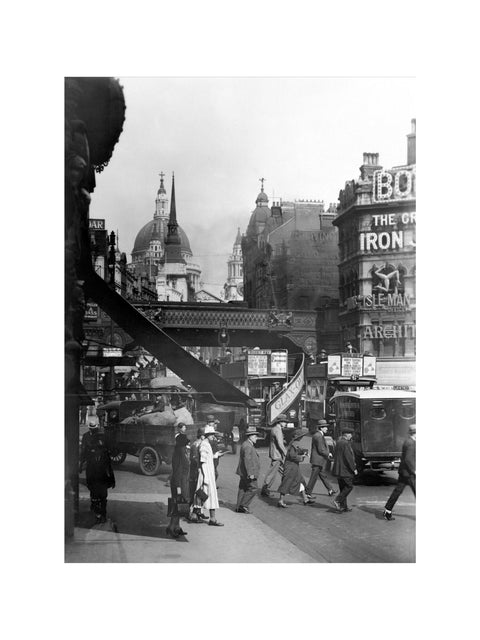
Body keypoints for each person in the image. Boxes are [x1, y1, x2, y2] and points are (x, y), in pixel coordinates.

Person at [79, 422, 115, 523]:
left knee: (96, 490)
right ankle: (100, 512)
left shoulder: (90, 437)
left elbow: (83, 451)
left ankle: (100, 512)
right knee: (98, 491)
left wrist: (81, 464)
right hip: (99, 468)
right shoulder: (98, 437)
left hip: (96, 468)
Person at [383, 424, 416, 521]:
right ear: (415, 433)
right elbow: (408, 459)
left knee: (397, 491)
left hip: (404, 472)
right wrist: (415, 470)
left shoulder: (409, 441)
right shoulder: (411, 443)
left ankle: (387, 510)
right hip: (409, 473)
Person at [277, 428, 315, 507]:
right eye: (302, 436)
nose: (302, 437)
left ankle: (305, 499)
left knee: (300, 481)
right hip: (290, 466)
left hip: (294, 466)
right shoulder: (295, 443)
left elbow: (298, 450)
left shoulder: (294, 443)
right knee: (286, 482)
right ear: (298, 437)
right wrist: (302, 456)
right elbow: (292, 455)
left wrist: (303, 452)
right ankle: (280, 500)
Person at [195, 424, 224, 526]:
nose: (213, 437)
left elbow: (208, 457)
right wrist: (206, 478)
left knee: (205, 496)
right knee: (206, 495)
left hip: (208, 473)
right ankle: (211, 519)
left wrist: (216, 455)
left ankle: (201, 516)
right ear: (207, 435)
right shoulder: (204, 445)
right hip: (206, 474)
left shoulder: (207, 444)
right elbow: (203, 461)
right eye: (212, 435)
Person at [167, 432, 191, 538]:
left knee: (178, 505)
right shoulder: (179, 454)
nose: (186, 446)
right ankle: (171, 527)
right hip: (178, 483)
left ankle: (177, 527)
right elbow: (177, 471)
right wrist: (179, 488)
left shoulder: (180, 452)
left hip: (181, 483)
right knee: (176, 506)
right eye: (185, 444)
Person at [306, 419, 336, 497]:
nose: (327, 429)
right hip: (317, 460)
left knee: (322, 475)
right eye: (325, 427)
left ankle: (330, 490)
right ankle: (307, 493)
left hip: (318, 460)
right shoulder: (318, 436)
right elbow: (321, 449)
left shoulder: (319, 435)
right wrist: (328, 454)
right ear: (321, 428)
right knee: (313, 477)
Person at [261, 413, 288, 497]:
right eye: (284, 422)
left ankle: (285, 488)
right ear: (280, 422)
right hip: (277, 455)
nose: (285, 423)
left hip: (276, 454)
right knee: (272, 473)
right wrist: (286, 453)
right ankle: (265, 488)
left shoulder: (275, 429)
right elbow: (280, 444)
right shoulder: (277, 430)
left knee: (284, 471)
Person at [332, 427, 357, 512]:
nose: (351, 436)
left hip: (338, 469)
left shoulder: (338, 442)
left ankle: (343, 506)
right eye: (351, 435)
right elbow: (348, 458)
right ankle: (338, 500)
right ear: (347, 435)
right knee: (349, 486)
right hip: (345, 470)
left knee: (343, 488)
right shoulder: (346, 443)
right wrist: (354, 469)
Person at [235, 426, 261, 513]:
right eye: (255, 436)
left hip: (243, 472)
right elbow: (247, 461)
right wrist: (251, 473)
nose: (256, 438)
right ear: (250, 436)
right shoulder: (248, 446)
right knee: (253, 488)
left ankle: (238, 506)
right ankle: (243, 505)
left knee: (242, 488)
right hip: (248, 472)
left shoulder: (246, 444)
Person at [188, 427, 208, 523]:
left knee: (198, 493)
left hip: (197, 472)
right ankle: (193, 515)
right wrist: (200, 469)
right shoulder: (196, 445)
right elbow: (195, 460)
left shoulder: (198, 444)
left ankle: (198, 512)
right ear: (202, 436)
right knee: (195, 493)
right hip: (195, 473)